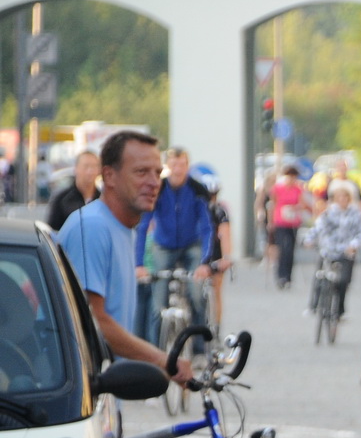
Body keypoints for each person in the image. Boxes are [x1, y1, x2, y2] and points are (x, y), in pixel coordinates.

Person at [55, 130, 190, 384]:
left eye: (158, 173)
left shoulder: (123, 227)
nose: (154, 182)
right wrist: (163, 360)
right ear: (109, 176)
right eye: (141, 172)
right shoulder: (93, 227)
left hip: (105, 393)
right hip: (82, 395)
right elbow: (93, 320)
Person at [133, 147, 213, 344]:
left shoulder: (197, 190)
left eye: (182, 164)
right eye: (174, 164)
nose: (178, 169)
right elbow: (143, 226)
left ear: (188, 166)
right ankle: (155, 349)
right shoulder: (158, 189)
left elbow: (207, 227)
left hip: (191, 245)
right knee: (157, 301)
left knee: (196, 295)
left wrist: (205, 261)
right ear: (167, 167)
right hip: (164, 246)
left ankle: (199, 349)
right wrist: (139, 264)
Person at [309, 180, 361, 320]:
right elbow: (317, 228)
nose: (342, 200)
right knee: (320, 276)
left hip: (346, 252)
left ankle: (340, 309)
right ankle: (314, 304)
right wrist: (309, 239)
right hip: (328, 249)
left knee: (343, 281)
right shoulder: (328, 214)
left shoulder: (355, 214)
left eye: (345, 197)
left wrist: (353, 245)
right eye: (339, 198)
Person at [195, 165, 235, 329]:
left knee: (198, 290)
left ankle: (207, 324)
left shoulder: (196, 209)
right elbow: (225, 235)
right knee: (217, 293)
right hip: (215, 253)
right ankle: (216, 327)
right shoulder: (220, 210)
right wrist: (226, 257)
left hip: (200, 252)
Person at [271, 166, 307, 289]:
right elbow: (273, 204)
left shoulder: (298, 189)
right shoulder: (278, 188)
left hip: (293, 222)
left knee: (290, 249)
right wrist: (270, 221)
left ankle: (288, 276)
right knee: (283, 248)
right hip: (280, 221)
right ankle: (281, 275)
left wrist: (295, 208)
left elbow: (302, 204)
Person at [47, 150, 100, 232]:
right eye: (86, 166)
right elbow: (52, 231)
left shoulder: (103, 199)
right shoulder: (62, 199)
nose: (90, 171)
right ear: (76, 169)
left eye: (94, 166)